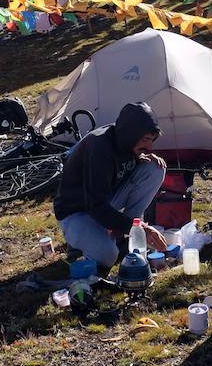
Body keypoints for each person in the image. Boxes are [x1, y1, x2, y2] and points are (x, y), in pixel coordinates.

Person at [53, 101, 169, 269]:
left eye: (151, 140)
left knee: (154, 168)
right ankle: (80, 243)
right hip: (77, 212)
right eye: (145, 140)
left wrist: (138, 159)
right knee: (107, 256)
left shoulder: (126, 142)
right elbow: (95, 205)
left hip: (103, 202)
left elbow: (118, 168)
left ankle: (123, 233)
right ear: (130, 134)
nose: (150, 146)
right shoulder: (99, 147)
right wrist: (140, 227)